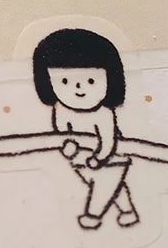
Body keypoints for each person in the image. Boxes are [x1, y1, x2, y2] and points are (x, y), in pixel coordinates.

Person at [31, 28, 139, 230]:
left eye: (91, 80)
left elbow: (108, 141)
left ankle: (93, 216)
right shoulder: (61, 110)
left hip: (110, 158)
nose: (78, 88)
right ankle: (128, 212)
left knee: (106, 184)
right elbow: (64, 134)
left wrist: (99, 158)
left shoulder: (104, 114)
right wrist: (69, 147)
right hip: (81, 159)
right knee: (110, 186)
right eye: (64, 81)